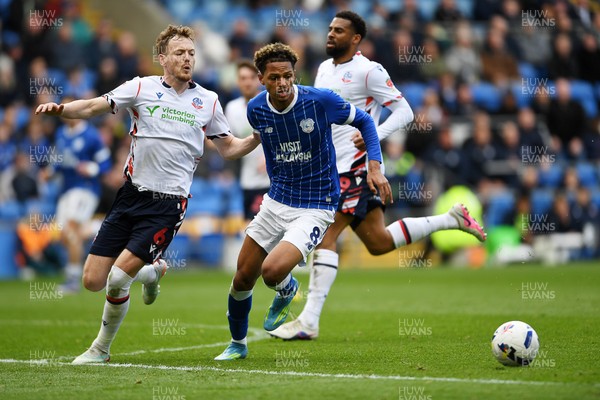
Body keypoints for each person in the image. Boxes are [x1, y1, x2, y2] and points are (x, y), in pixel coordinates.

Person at [35, 24, 260, 364]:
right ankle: (151, 272)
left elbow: (228, 148)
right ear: (162, 58)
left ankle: (101, 349)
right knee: (92, 280)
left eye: (191, 53)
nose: (188, 59)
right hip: (130, 196)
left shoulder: (208, 101)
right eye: (180, 53)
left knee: (116, 279)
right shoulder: (141, 87)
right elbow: (96, 106)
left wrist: (257, 138)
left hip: (168, 205)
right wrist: (63, 110)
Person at [270, 11, 487, 341]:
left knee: (325, 236)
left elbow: (405, 111)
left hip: (356, 168)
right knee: (378, 242)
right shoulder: (324, 68)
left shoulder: (369, 70)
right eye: (329, 28)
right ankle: (451, 219)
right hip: (329, 168)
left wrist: (375, 135)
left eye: (339, 30)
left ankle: (309, 321)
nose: (330, 34)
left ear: (355, 38)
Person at [214, 42, 392, 360]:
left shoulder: (319, 101)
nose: (282, 83)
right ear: (261, 78)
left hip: (316, 203)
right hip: (276, 200)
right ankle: (237, 344)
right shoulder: (255, 110)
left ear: (295, 74)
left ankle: (288, 289)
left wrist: (374, 167)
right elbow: (258, 141)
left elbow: (365, 121)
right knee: (241, 277)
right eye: (274, 77)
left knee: (271, 271)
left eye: (288, 76)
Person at [45, 96, 112, 293]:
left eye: (67, 107)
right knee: (65, 236)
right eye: (62, 108)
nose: (65, 112)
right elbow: (58, 161)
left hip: (85, 190)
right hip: (66, 190)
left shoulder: (91, 136)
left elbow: (104, 165)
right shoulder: (61, 135)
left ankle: (73, 279)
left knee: (71, 229)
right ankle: (98, 245)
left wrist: (90, 168)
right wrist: (50, 172)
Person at [224, 61, 270, 222]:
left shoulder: (269, 103)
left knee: (266, 230)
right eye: (243, 78)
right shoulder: (232, 108)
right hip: (247, 181)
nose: (247, 82)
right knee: (250, 229)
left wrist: (269, 156)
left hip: (271, 180)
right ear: (238, 81)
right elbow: (230, 142)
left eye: (251, 77)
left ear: (259, 79)